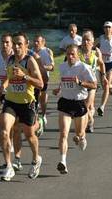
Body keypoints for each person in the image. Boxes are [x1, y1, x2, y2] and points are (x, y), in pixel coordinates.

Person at [0, 32, 44, 181]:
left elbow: (40, 84)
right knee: (4, 131)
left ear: (26, 45)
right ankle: (9, 166)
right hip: (11, 101)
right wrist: (2, 87)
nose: (16, 47)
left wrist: (25, 76)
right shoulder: (10, 59)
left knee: (29, 135)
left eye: (19, 44)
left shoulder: (29, 61)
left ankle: (36, 159)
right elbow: (8, 77)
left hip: (26, 103)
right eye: (14, 44)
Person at [53, 44, 97, 174]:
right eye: (68, 54)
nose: (70, 56)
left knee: (79, 134)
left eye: (73, 54)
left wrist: (80, 83)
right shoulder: (62, 67)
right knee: (63, 134)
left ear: (78, 55)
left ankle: (82, 138)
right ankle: (63, 162)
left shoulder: (84, 67)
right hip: (65, 103)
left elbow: (94, 85)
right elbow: (63, 81)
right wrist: (59, 89)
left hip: (79, 104)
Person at [79, 30, 106, 133]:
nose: (85, 42)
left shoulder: (96, 53)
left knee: (85, 105)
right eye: (83, 40)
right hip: (80, 84)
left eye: (88, 40)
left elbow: (102, 64)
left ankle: (88, 123)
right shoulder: (78, 53)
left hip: (92, 84)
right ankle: (90, 121)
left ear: (92, 41)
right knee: (90, 106)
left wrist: (103, 76)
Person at [32, 34, 54, 128]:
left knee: (42, 99)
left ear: (43, 42)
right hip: (33, 80)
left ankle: (43, 115)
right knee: (34, 100)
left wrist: (41, 68)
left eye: (38, 42)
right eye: (35, 41)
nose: (36, 43)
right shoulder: (31, 52)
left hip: (43, 79)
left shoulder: (46, 52)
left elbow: (52, 67)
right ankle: (34, 121)